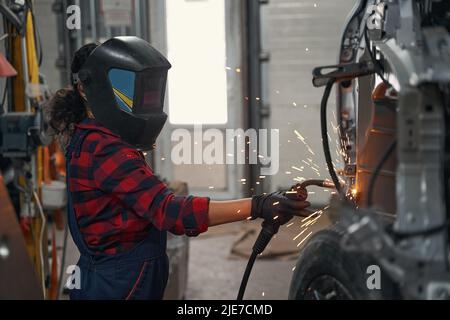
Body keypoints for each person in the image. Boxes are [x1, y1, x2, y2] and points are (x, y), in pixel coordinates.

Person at [46, 37, 310, 300]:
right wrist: (256, 205)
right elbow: (169, 211)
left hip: (109, 277)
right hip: (119, 284)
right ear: (86, 89)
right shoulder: (104, 148)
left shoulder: (91, 137)